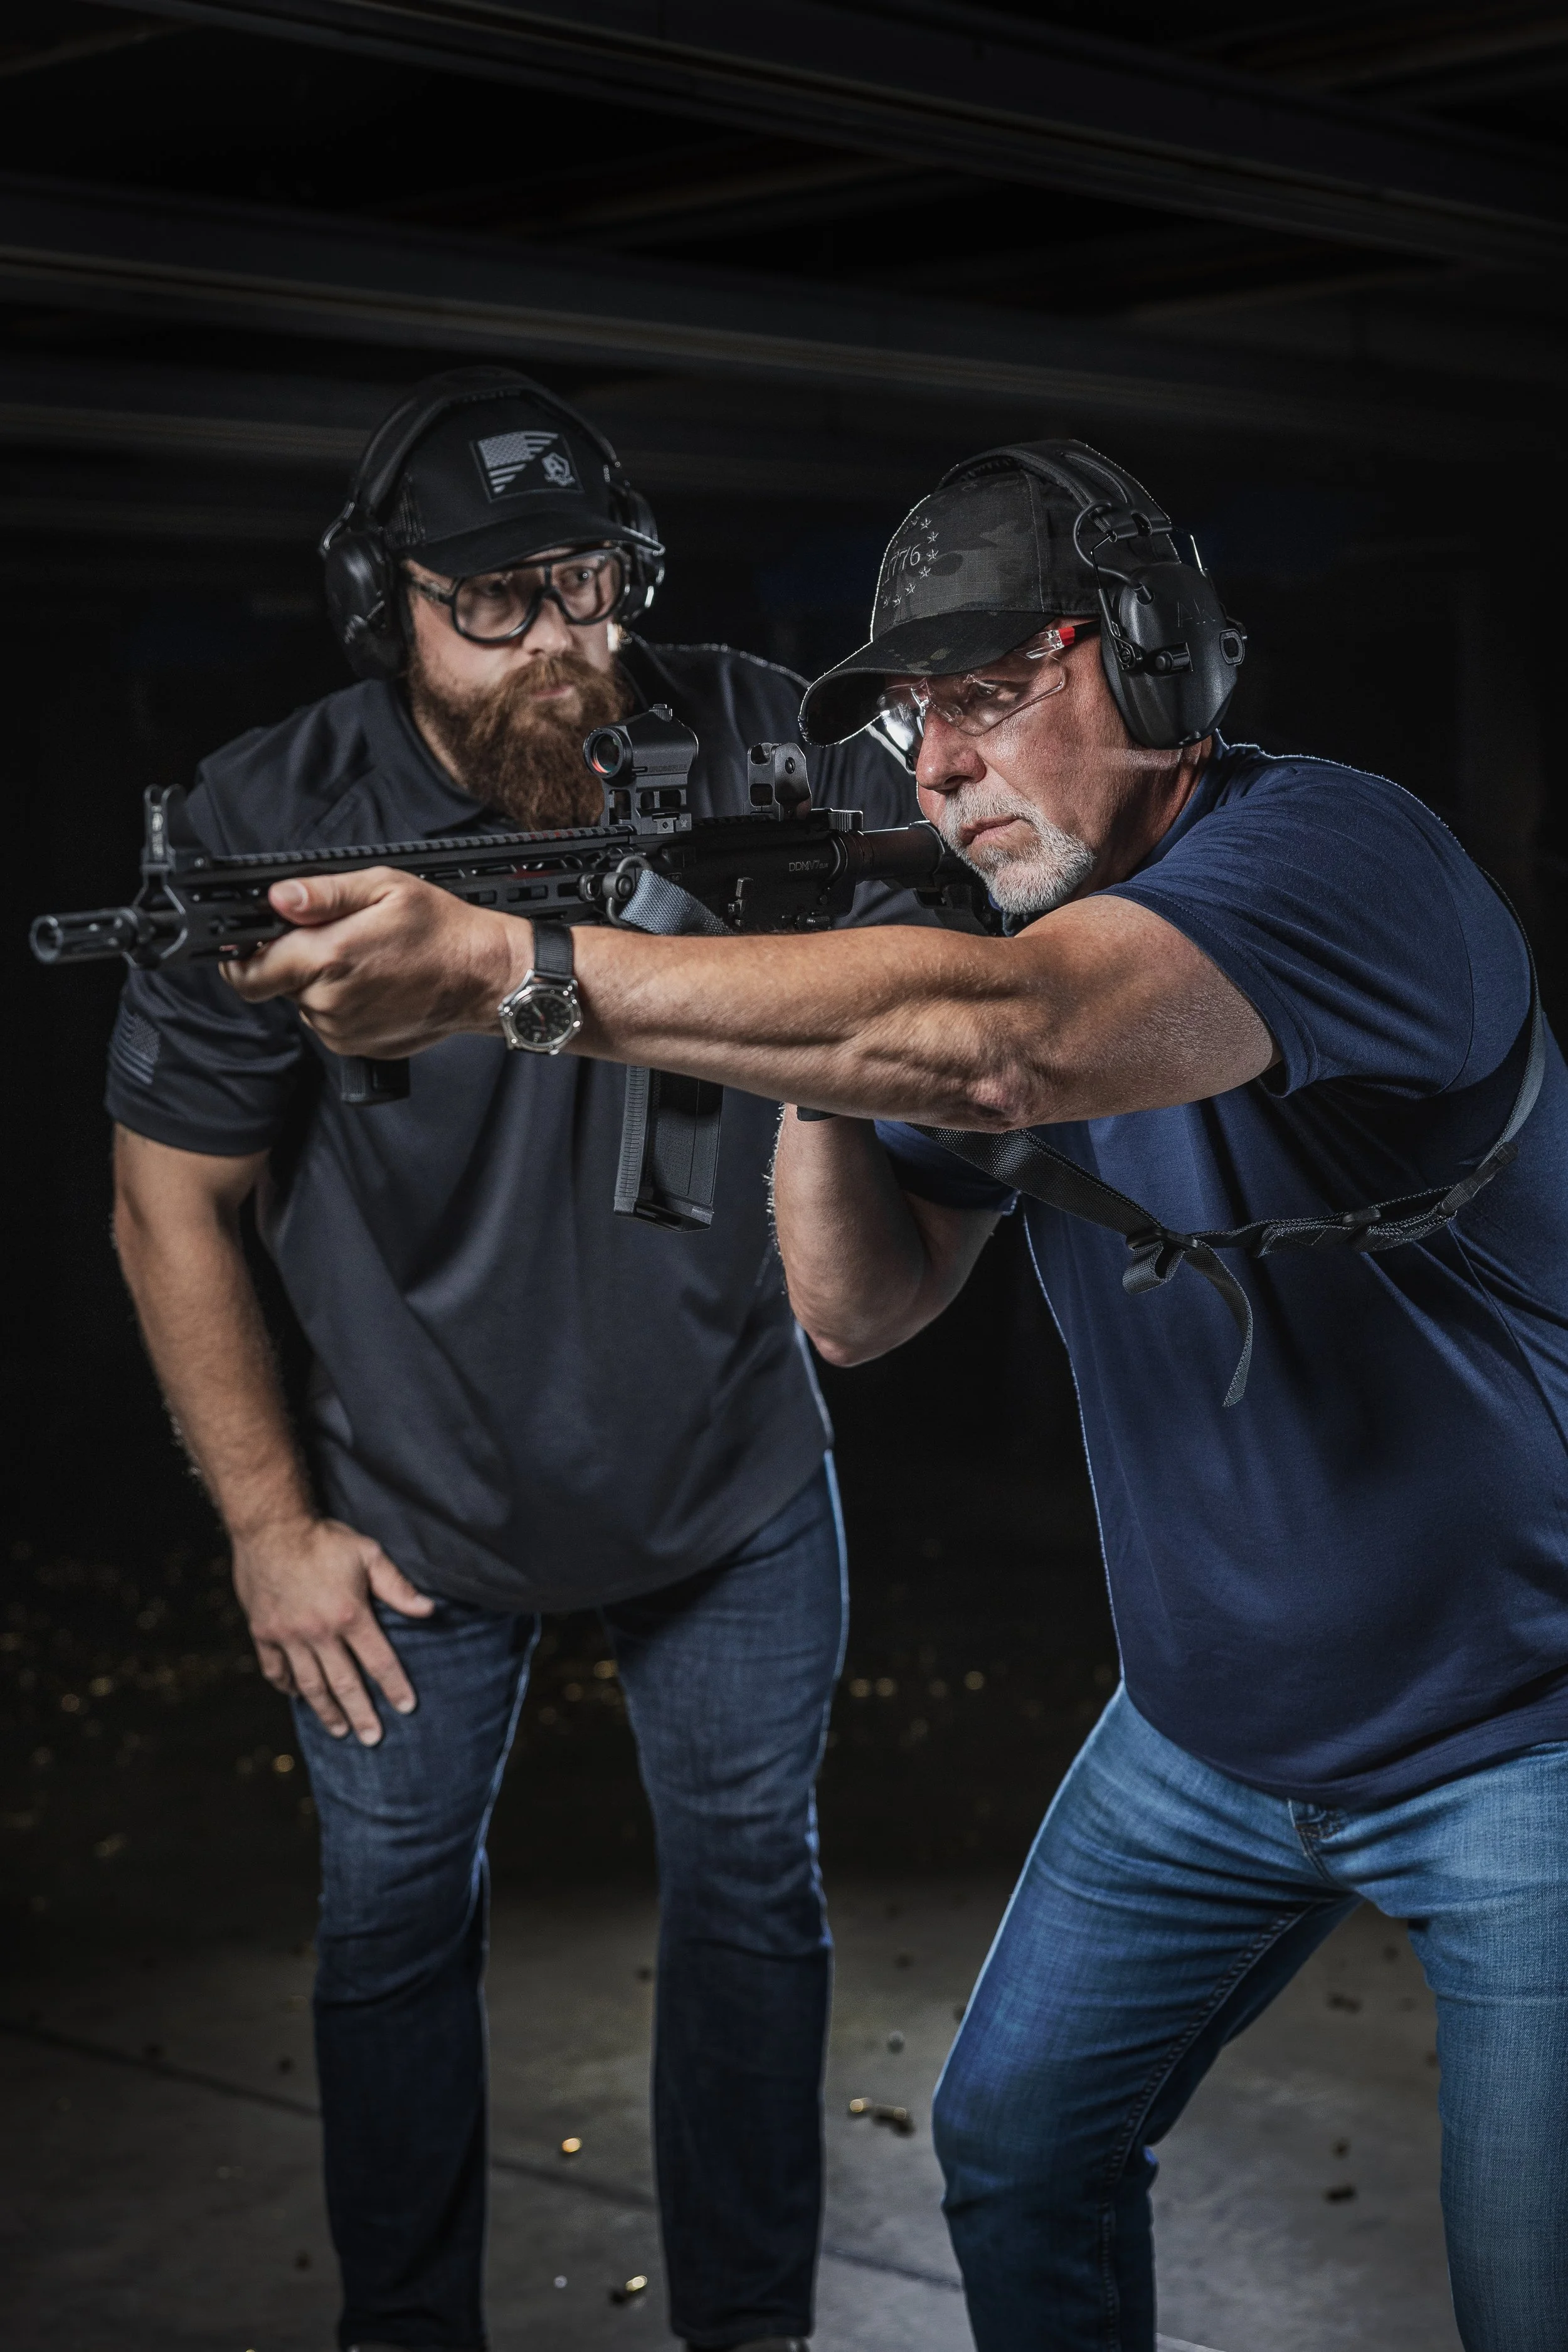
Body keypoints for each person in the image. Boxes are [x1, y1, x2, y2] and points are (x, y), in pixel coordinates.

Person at [219, 434, 1568, 2352]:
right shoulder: (987, 935)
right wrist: (802, 1004)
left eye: (990, 694)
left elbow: (1012, 1047)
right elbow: (859, 1303)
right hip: (1201, 1739)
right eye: (912, 717)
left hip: (1518, 1734)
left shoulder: (1333, 855)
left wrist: (518, 973)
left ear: (1161, 666)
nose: (934, 765)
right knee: (1014, 2151)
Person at [107, 366, 930, 2352]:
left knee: (753, 1902)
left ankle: (749, 2327)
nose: (564, 644)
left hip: (730, 1472)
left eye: (590, 587)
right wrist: (266, 1526)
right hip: (406, 1508)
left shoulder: (758, 736)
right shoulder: (266, 825)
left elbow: (946, 972)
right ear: (380, 598)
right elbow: (169, 1203)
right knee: (394, 1930)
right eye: (496, 602)